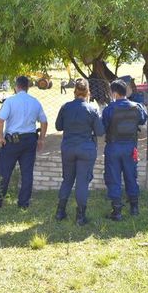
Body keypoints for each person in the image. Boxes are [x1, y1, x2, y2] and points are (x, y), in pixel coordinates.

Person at [0, 75, 48, 209]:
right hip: (30, 140)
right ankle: (23, 203)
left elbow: (0, 120)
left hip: (12, 141)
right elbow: (44, 121)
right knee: (27, 173)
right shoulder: (35, 102)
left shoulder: (10, 101)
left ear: (16, 86)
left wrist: (0, 137)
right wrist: (42, 139)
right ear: (27, 87)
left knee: (4, 172)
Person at [55, 79, 104, 225]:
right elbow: (100, 131)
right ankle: (80, 217)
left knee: (67, 180)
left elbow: (58, 126)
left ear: (75, 91)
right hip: (86, 148)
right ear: (88, 92)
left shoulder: (66, 107)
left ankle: (60, 212)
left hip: (68, 147)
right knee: (82, 182)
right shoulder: (92, 109)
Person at [102, 79, 148, 221]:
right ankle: (134, 207)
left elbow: (102, 127)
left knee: (113, 177)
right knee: (131, 176)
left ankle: (117, 211)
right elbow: (142, 120)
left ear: (114, 93)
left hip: (113, 147)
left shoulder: (109, 108)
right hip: (130, 147)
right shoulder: (137, 107)